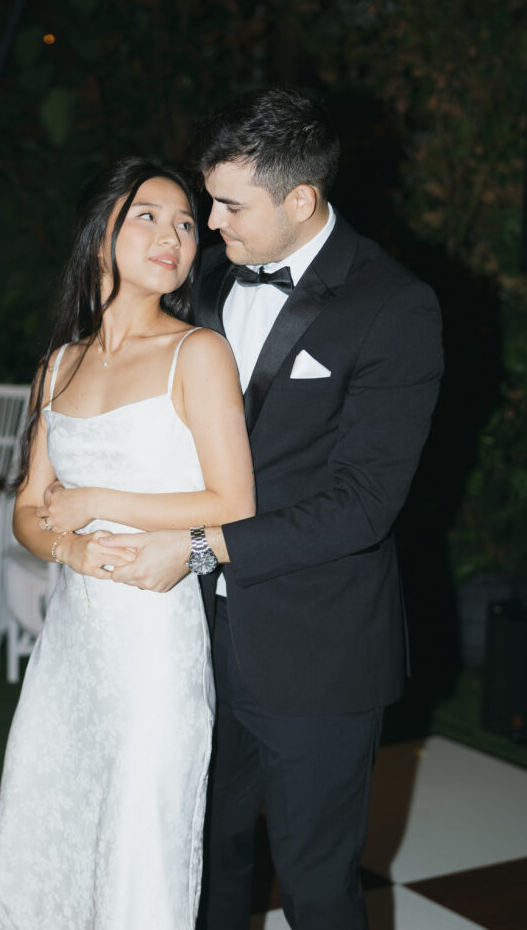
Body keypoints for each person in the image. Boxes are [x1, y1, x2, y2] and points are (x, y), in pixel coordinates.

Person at [97, 89, 445, 929]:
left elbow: (361, 507)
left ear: (301, 199)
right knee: (205, 856)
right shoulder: (210, 277)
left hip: (318, 651)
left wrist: (198, 546)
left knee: (316, 881)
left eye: (228, 205)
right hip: (191, 644)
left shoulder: (395, 307)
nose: (208, 224)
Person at [0, 157, 255, 930]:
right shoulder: (58, 366)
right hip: (71, 647)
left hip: (152, 648)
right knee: (47, 830)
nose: (174, 235)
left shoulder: (196, 354)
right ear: (99, 235)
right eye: (149, 216)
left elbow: (233, 502)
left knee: (140, 849)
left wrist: (101, 501)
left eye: (184, 223)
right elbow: (30, 511)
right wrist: (68, 549)